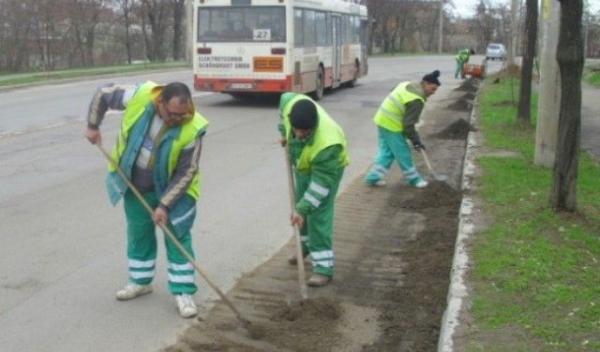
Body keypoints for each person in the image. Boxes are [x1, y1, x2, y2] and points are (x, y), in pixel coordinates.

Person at [85, 81, 209, 318]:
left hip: (176, 192)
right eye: (173, 114)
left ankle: (183, 292)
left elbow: (186, 173)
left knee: (177, 238)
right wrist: (93, 125)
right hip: (134, 183)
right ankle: (140, 281)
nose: (178, 119)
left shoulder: (194, 127)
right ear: (160, 102)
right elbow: (103, 93)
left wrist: (164, 205)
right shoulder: (140, 96)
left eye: (183, 114)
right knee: (139, 232)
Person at [278, 93, 349, 287]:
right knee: (301, 206)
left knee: (316, 212)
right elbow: (283, 109)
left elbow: (320, 186)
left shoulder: (328, 144)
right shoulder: (289, 104)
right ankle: (305, 247)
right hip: (303, 165)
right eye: (296, 130)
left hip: (327, 171)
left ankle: (324, 268)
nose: (300, 135)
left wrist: (302, 208)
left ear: (314, 126)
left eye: (305, 132)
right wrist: (284, 133)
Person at [364, 70, 441, 188]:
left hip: (382, 119)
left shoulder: (407, 84)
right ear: (425, 84)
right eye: (432, 89)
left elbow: (393, 93)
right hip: (391, 125)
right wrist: (416, 141)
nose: (433, 92)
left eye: (435, 90)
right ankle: (415, 180)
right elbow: (408, 125)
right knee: (403, 153)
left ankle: (373, 177)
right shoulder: (416, 100)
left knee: (387, 153)